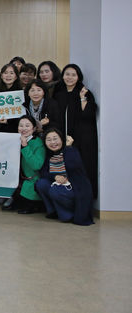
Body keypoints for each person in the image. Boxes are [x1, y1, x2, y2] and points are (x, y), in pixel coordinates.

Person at [52, 64, 98, 197]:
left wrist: (82, 98)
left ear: (78, 77)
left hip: (81, 140)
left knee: (81, 168)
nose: (70, 77)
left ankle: (84, 199)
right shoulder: (58, 94)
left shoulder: (84, 92)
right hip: (62, 138)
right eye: (67, 74)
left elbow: (89, 115)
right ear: (62, 76)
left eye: (73, 75)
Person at [35, 128, 94, 225]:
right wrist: (55, 177)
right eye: (48, 140)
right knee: (41, 184)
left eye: (55, 139)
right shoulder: (49, 155)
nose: (52, 142)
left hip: (73, 189)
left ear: (62, 139)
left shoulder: (71, 151)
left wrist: (68, 147)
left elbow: (73, 166)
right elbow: (44, 172)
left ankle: (67, 215)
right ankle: (53, 211)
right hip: (57, 186)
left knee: (55, 190)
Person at [8, 115, 45, 214]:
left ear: (34, 128)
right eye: (21, 125)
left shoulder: (38, 143)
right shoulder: (15, 140)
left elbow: (36, 165)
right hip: (18, 179)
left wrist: (25, 146)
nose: (23, 128)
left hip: (31, 180)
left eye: (27, 126)